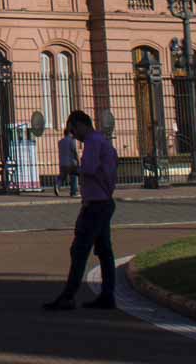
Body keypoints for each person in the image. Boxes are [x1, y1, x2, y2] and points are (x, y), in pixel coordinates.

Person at [43, 110, 119, 311]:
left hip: (95, 205)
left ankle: (68, 296)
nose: (74, 135)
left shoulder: (93, 142)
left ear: (80, 124)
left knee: (80, 249)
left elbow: (90, 168)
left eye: (73, 130)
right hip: (104, 201)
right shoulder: (102, 141)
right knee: (104, 251)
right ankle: (107, 294)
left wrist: (71, 169)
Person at [56, 128, 81, 198]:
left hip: (62, 162)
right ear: (70, 133)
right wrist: (78, 161)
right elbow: (75, 151)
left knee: (62, 176)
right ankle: (74, 192)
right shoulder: (72, 141)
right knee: (74, 176)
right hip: (71, 162)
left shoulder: (60, 142)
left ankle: (57, 185)